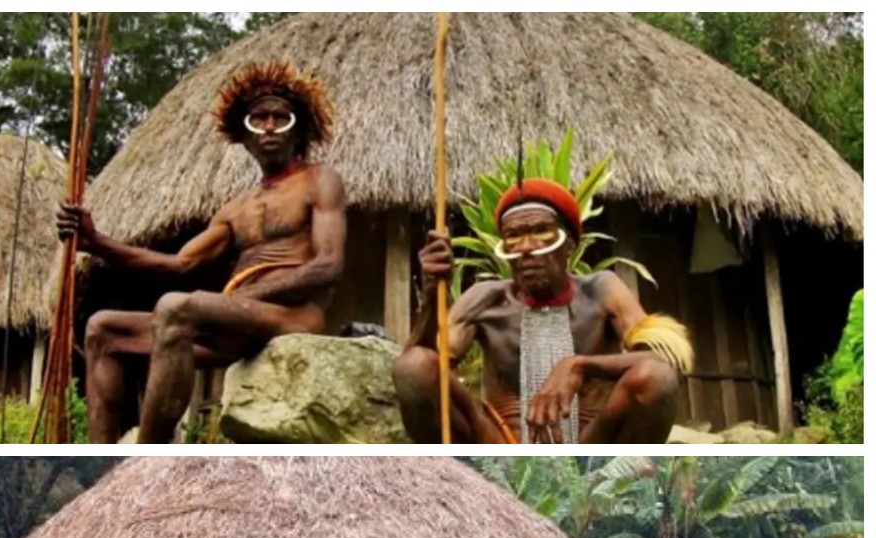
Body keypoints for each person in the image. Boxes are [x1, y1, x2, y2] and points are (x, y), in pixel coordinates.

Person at [58, 60, 346, 443]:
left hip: (291, 315)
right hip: (231, 320)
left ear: (300, 130)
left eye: (281, 117)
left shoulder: (319, 180)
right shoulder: (235, 209)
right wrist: (96, 243)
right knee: (102, 329)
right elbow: (180, 264)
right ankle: (102, 451)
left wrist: (243, 296)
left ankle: (149, 454)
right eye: (259, 119)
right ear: (243, 136)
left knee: (178, 307)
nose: (271, 126)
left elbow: (328, 265)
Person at [392, 178, 692, 443]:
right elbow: (423, 368)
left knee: (655, 377)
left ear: (570, 244)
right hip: (501, 449)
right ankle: (460, 482)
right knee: (413, 367)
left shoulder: (602, 289)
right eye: (514, 236)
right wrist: (432, 295)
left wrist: (579, 366)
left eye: (541, 231)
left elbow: (669, 362)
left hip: (589, 450)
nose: (527, 247)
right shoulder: (486, 299)